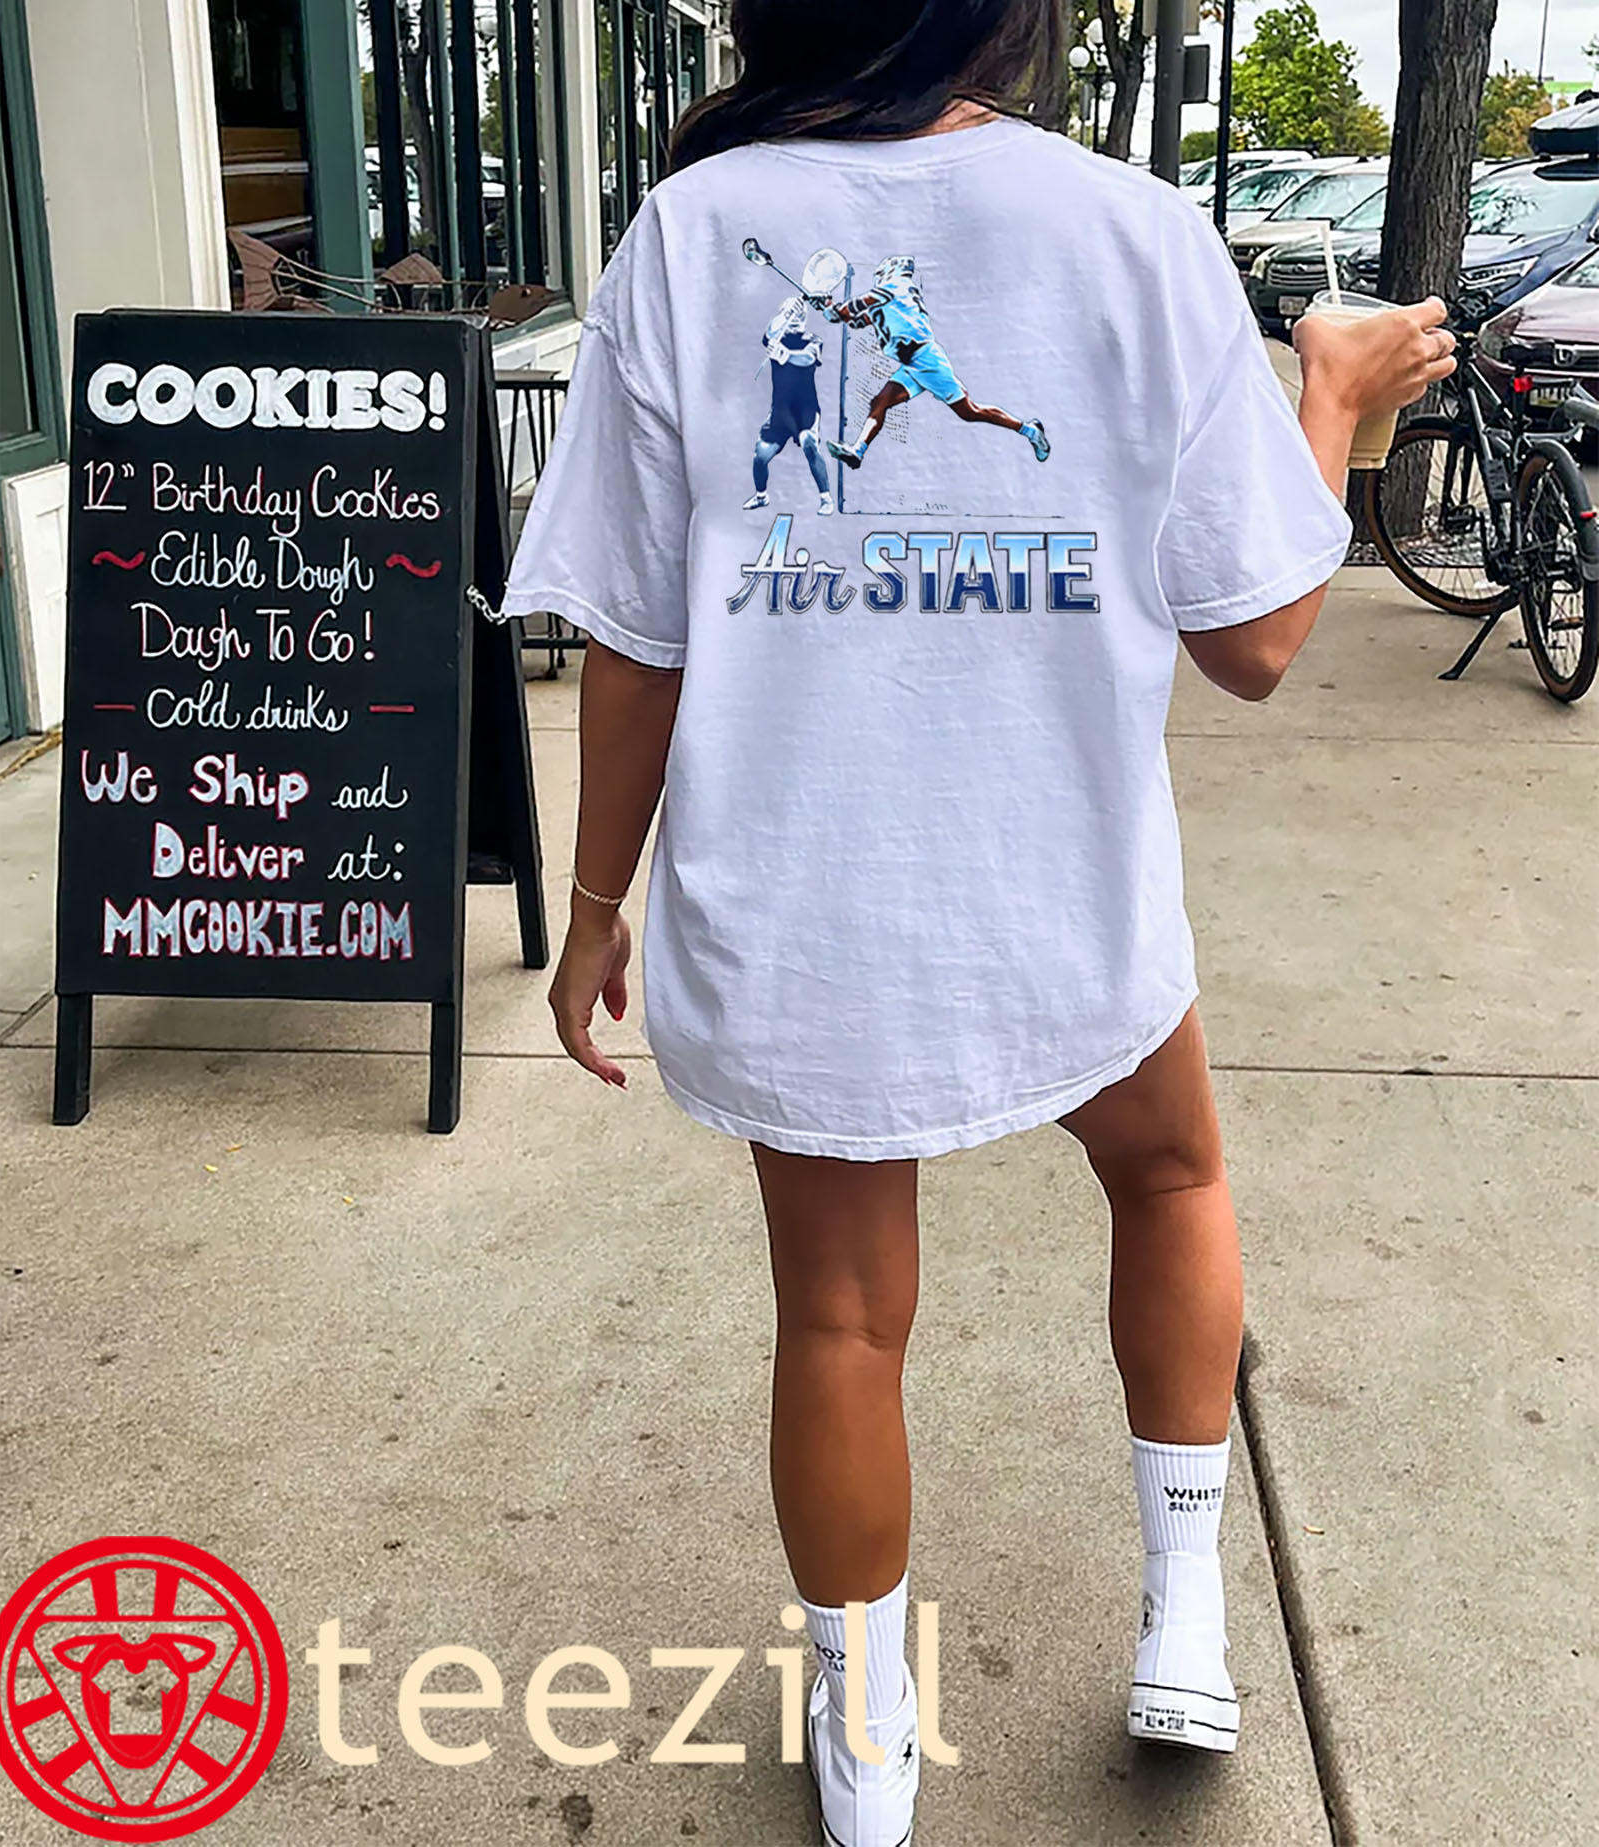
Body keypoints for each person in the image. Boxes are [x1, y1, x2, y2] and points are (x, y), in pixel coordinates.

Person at [503, 4, 1455, 1841]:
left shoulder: (688, 232)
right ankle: (1186, 1619)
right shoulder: (1135, 231)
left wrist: (595, 901)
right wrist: (1332, 399)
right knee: (1171, 1174)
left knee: (841, 1319)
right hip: (1061, 883)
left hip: (800, 903)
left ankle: (870, 1753)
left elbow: (635, 637)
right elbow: (1259, 639)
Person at [821, 255, 1052, 469]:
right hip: (910, 365)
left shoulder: (898, 286)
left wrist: (839, 310)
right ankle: (858, 451)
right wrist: (830, 308)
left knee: (970, 412)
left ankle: (1029, 430)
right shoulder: (888, 300)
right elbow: (856, 321)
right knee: (880, 402)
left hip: (926, 359)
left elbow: (858, 304)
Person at [747, 294, 837, 515]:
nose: (796, 317)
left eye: (799, 313)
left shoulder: (813, 340)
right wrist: (785, 314)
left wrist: (785, 355)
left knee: (809, 444)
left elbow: (808, 359)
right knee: (760, 456)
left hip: (805, 409)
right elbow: (769, 333)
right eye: (791, 313)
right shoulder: (776, 337)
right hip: (780, 412)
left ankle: (826, 499)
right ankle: (761, 496)